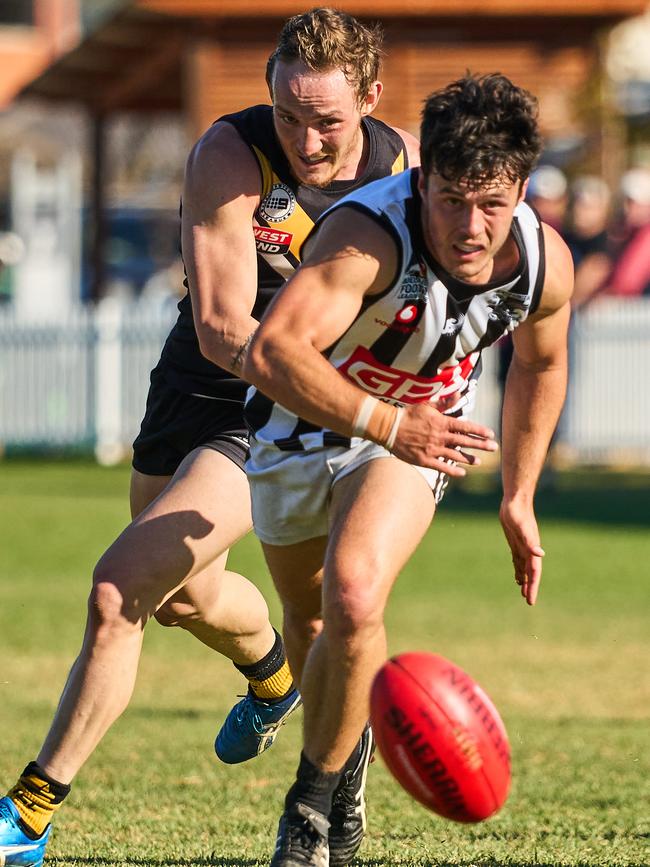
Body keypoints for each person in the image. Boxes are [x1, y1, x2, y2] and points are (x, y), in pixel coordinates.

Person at [0, 9, 419, 867]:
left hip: (281, 410)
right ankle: (277, 677)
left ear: (371, 101)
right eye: (289, 114)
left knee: (119, 592)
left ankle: (26, 816)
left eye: (328, 120)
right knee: (186, 595)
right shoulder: (230, 154)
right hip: (201, 377)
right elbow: (228, 328)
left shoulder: (404, 166)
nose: (305, 138)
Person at [242, 72, 573, 866]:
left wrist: (519, 493)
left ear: (520, 189)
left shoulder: (540, 262)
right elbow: (271, 351)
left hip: (409, 439)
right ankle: (347, 764)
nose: (470, 225)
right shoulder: (369, 237)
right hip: (299, 424)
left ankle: (310, 813)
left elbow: (543, 362)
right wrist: (387, 418)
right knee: (316, 627)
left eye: (491, 204)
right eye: (452, 199)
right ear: (423, 181)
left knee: (354, 592)